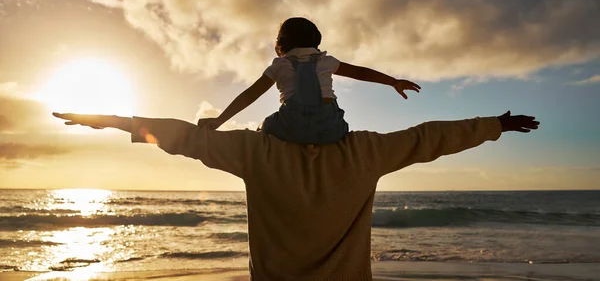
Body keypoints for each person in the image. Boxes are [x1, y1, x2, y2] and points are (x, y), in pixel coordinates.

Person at [54, 110, 538, 280]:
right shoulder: (366, 151)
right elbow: (429, 137)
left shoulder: (254, 150)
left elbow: (184, 136)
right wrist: (494, 125)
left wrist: (113, 120)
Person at [198, 17, 421, 144]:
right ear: (316, 42)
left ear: (280, 45)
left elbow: (249, 95)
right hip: (331, 128)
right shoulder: (326, 61)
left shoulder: (280, 65)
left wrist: (219, 121)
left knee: (263, 126)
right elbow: (360, 73)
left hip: (290, 126)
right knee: (340, 121)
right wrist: (393, 82)